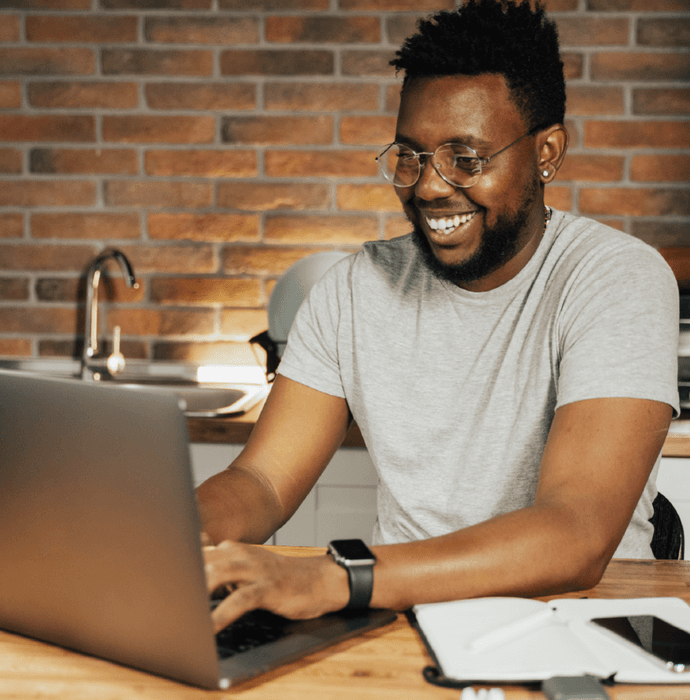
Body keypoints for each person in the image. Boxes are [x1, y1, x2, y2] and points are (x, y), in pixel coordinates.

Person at [198, 0, 679, 633]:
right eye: (412, 155)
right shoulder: (352, 289)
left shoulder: (615, 278)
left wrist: (338, 577)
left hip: (581, 627)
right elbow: (261, 479)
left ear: (546, 153)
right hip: (399, 618)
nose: (428, 187)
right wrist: (167, 534)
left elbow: (576, 535)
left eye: (466, 158)